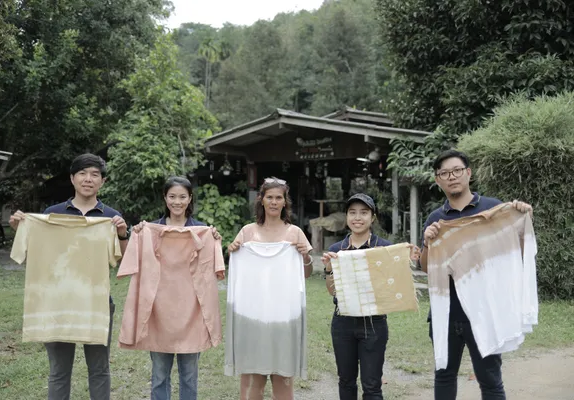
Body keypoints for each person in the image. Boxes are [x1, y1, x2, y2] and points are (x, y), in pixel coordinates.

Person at [9, 153, 129, 400]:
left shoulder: (110, 217)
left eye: (94, 174)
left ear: (103, 181)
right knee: (59, 372)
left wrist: (122, 233)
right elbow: (33, 255)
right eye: (82, 173)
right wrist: (20, 229)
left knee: (99, 370)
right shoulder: (51, 214)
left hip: (96, 304)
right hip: (57, 303)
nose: (88, 179)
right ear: (72, 178)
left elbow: (122, 262)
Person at [419, 150, 532, 400]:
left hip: (485, 312)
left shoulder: (493, 209)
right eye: (445, 173)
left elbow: (516, 253)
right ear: (438, 180)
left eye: (457, 170)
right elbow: (426, 267)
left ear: (468, 173)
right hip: (446, 313)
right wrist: (427, 242)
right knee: (444, 376)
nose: (452, 177)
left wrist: (522, 221)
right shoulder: (436, 219)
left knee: (490, 380)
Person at [321, 193, 420, 400]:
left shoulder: (384, 248)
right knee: (346, 380)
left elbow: (393, 283)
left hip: (374, 322)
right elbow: (332, 291)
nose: (357, 218)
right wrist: (329, 269)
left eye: (364, 213)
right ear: (347, 216)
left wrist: (406, 258)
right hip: (343, 322)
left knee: (372, 385)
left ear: (372, 217)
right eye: (352, 213)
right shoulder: (337, 250)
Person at [136, 176, 221, 400]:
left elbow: (212, 271)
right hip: (159, 310)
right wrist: (137, 234)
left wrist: (214, 240)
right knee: (159, 375)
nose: (177, 202)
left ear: (190, 198)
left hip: (192, 311)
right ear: (165, 198)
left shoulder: (202, 231)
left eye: (182, 197)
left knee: (189, 375)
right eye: (172, 196)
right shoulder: (150, 230)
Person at [227, 177, 313, 400]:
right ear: (262, 200)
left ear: (285, 202)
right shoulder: (247, 232)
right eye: (270, 197)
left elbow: (306, 274)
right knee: (251, 381)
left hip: (284, 316)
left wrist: (305, 256)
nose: (274, 202)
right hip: (252, 315)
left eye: (278, 198)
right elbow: (236, 267)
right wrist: (234, 250)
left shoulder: (295, 233)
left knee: (283, 379)